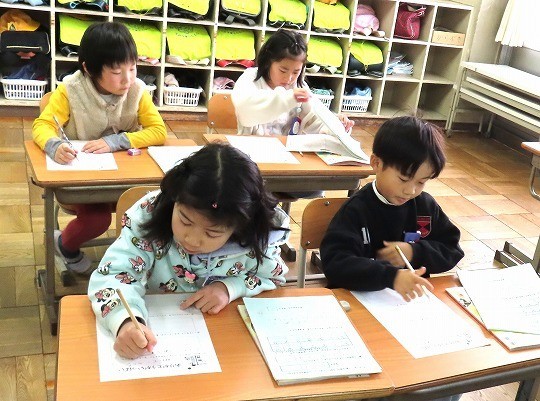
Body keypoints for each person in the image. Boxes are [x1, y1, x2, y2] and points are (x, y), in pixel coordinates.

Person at [88, 143, 290, 359]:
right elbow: (113, 274)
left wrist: (229, 287)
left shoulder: (255, 238)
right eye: (185, 220)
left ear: (238, 227)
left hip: (224, 344)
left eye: (212, 233)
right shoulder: (148, 216)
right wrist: (126, 321)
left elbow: (273, 277)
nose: (192, 240)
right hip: (161, 335)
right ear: (175, 200)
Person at [32, 21, 167, 274]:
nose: (128, 79)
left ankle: (140, 256)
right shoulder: (71, 90)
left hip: (125, 174)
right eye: (116, 72)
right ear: (89, 68)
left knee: (153, 208)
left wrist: (116, 141)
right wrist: (54, 145)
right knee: (97, 219)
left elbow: (158, 131)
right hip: (85, 177)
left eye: (132, 68)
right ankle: (64, 244)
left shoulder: (137, 90)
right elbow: (42, 125)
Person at [321, 116, 464, 302]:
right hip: (359, 301)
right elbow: (335, 264)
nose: (411, 190)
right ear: (376, 163)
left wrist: (414, 252)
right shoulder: (356, 210)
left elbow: (452, 249)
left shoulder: (425, 206)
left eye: (421, 182)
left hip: (410, 304)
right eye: (403, 179)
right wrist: (391, 277)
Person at [231, 28, 354, 136]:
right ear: (268, 62)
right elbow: (245, 112)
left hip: (286, 151)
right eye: (283, 70)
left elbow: (315, 119)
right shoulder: (250, 79)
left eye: (296, 72)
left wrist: (336, 125)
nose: (289, 78)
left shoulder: (299, 87)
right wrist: (288, 99)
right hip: (252, 150)